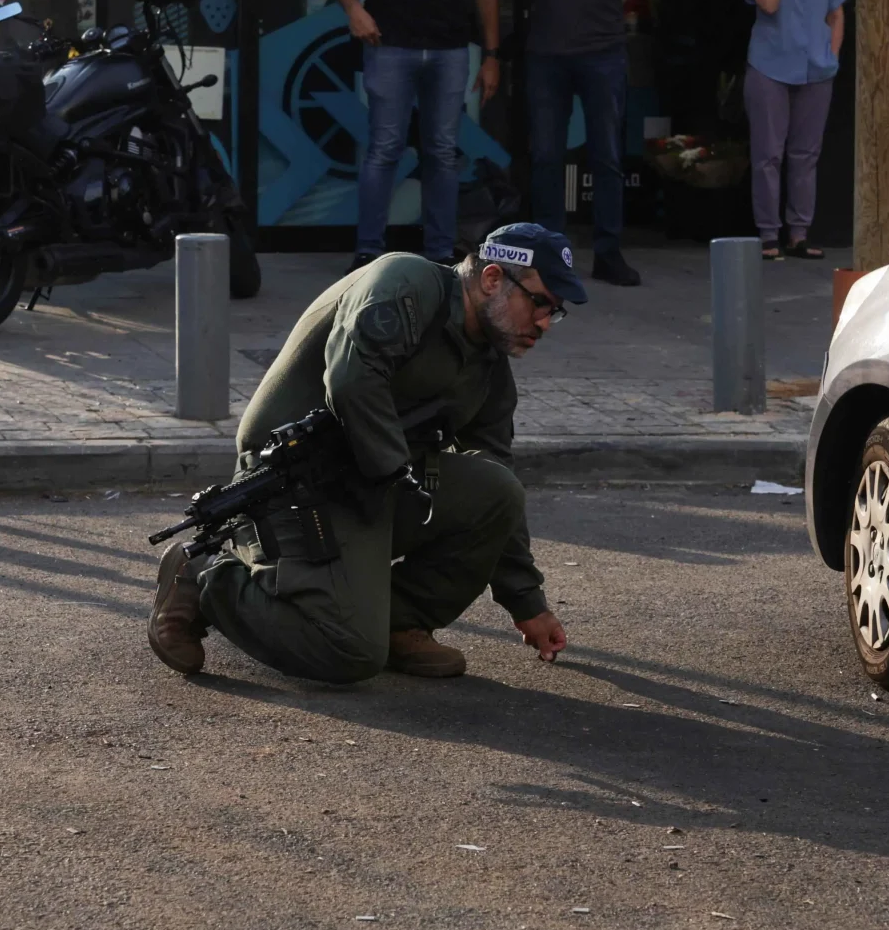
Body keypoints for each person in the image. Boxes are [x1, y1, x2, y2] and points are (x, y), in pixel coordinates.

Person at [146, 223, 585, 683]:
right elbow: (352, 381)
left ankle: (399, 622)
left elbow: (496, 467)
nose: (544, 323)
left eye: (555, 312)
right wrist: (399, 481)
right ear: (493, 279)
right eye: (540, 302)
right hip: (292, 487)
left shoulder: (488, 365)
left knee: (496, 490)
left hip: (371, 483)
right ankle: (204, 577)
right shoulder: (406, 283)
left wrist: (527, 602)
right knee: (347, 651)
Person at [328, 0, 501, 272]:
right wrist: (354, 10)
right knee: (384, 149)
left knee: (442, 152)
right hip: (390, 45)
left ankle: (440, 254)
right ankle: (368, 252)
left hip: (449, 48)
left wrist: (492, 55)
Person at [522, 0, 647, 287]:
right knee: (546, 155)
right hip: (547, 49)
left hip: (601, 48)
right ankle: (551, 256)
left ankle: (608, 253)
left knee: (606, 155)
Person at [744, 0, 849, 261]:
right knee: (767, 155)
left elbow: (836, 13)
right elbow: (769, 4)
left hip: (816, 69)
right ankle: (768, 234)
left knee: (805, 155)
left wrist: (832, 54)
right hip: (769, 66)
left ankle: (799, 233)